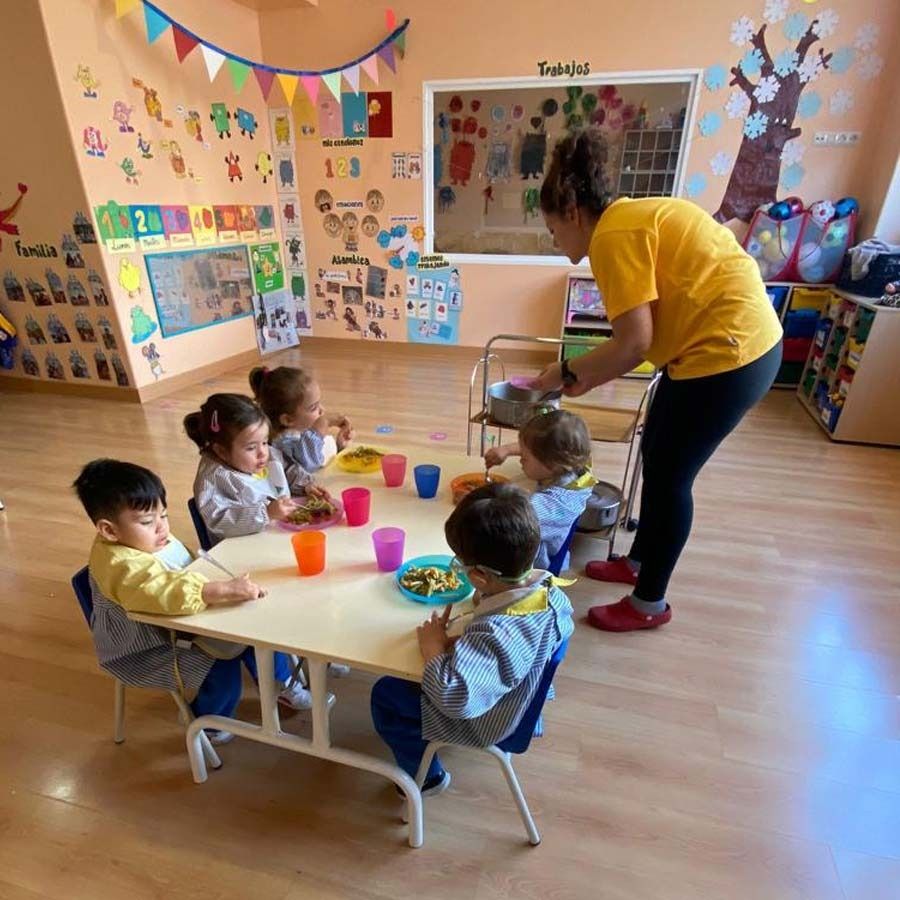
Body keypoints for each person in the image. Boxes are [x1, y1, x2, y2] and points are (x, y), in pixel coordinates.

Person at [531, 128, 782, 633]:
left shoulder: (613, 236)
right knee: (656, 453)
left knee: (670, 478)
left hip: (729, 354)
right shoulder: (630, 218)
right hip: (721, 347)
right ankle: (638, 561)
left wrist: (564, 374)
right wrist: (579, 377)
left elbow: (633, 342)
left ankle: (649, 602)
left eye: (554, 230)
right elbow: (639, 338)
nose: (556, 242)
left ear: (573, 212)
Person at [370, 483, 574, 797]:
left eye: (460, 564)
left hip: (489, 719)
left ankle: (426, 778)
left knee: (387, 693)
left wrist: (435, 649)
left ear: (479, 576)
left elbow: (455, 700)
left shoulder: (496, 632)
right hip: (523, 694)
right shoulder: (548, 590)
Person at [73, 459, 267, 744]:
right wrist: (221, 591)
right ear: (110, 531)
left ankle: (278, 685)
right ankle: (207, 721)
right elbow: (160, 590)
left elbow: (186, 571)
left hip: (177, 624)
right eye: (148, 522)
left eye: (164, 515)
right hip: (145, 646)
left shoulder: (144, 538)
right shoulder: (120, 564)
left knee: (253, 635)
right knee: (221, 666)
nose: (162, 527)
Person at [184, 393, 341, 703]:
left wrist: (305, 484)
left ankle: (317, 645)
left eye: (265, 443)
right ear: (219, 449)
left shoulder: (260, 455)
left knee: (320, 578)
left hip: (275, 541)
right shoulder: (214, 478)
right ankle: (283, 683)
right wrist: (264, 514)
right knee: (271, 614)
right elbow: (218, 520)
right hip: (242, 560)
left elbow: (281, 468)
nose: (263, 454)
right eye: (251, 447)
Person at [485, 409, 595, 571]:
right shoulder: (575, 465)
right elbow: (538, 446)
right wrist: (507, 449)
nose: (520, 459)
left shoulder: (548, 506)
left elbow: (506, 522)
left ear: (551, 463)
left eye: (525, 457)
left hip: (534, 568)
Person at [250, 365, 353, 472]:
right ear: (288, 420)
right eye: (313, 407)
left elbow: (320, 460)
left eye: (319, 403)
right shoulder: (283, 445)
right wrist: (321, 425)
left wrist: (339, 447)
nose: (322, 410)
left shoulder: (301, 434)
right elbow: (309, 466)